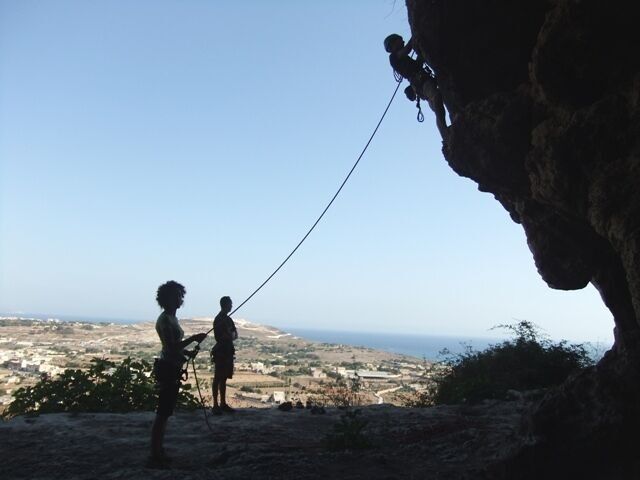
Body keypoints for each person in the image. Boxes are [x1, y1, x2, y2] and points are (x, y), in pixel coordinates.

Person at [148, 280, 207, 468]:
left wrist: (187, 353)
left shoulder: (171, 318)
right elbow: (171, 346)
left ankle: (158, 450)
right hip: (167, 368)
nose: (180, 299)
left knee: (165, 412)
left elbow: (173, 347)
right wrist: (193, 339)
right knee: (163, 412)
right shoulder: (165, 320)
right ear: (168, 299)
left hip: (170, 366)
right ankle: (156, 453)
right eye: (177, 296)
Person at [384, 33, 449, 139]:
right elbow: (407, 49)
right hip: (421, 83)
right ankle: (445, 133)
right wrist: (415, 35)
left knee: (438, 104)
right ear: (391, 46)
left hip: (424, 81)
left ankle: (445, 131)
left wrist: (421, 54)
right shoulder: (393, 58)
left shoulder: (405, 59)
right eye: (399, 41)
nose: (402, 42)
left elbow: (417, 65)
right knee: (437, 99)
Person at [210, 296, 238, 414]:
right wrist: (228, 335)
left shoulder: (228, 320)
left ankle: (222, 403)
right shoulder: (218, 320)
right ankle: (215, 405)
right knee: (218, 378)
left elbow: (235, 335)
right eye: (230, 304)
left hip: (228, 351)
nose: (232, 306)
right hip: (221, 352)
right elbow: (219, 337)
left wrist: (229, 335)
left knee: (224, 378)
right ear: (225, 305)